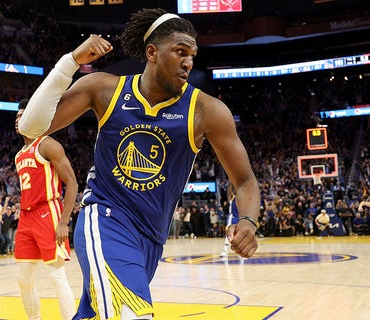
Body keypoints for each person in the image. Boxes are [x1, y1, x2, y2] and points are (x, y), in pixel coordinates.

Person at [18, 8, 261, 319]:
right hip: (105, 217)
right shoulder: (105, 88)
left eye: (192, 55)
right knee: (132, 315)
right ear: (152, 52)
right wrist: (71, 62)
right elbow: (30, 127)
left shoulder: (206, 110)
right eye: (180, 52)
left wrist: (249, 221)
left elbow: (245, 181)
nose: (188, 62)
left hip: (151, 238)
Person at [14, 99, 78, 320]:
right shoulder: (19, 155)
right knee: (23, 278)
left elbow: (72, 182)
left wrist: (63, 222)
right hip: (26, 216)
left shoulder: (47, 144)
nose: (17, 119)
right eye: (16, 116)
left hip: (47, 212)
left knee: (56, 274)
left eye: (22, 115)